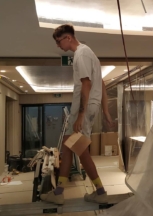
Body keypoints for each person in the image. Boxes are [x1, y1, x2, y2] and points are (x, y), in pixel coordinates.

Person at [41, 24, 112, 205]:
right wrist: (105, 110)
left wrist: (80, 115)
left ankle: (100, 191)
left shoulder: (81, 54)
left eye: (59, 41)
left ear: (68, 38)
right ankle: (59, 192)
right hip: (90, 106)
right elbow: (101, 84)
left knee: (80, 151)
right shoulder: (90, 54)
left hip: (84, 107)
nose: (58, 46)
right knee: (68, 146)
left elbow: (86, 84)